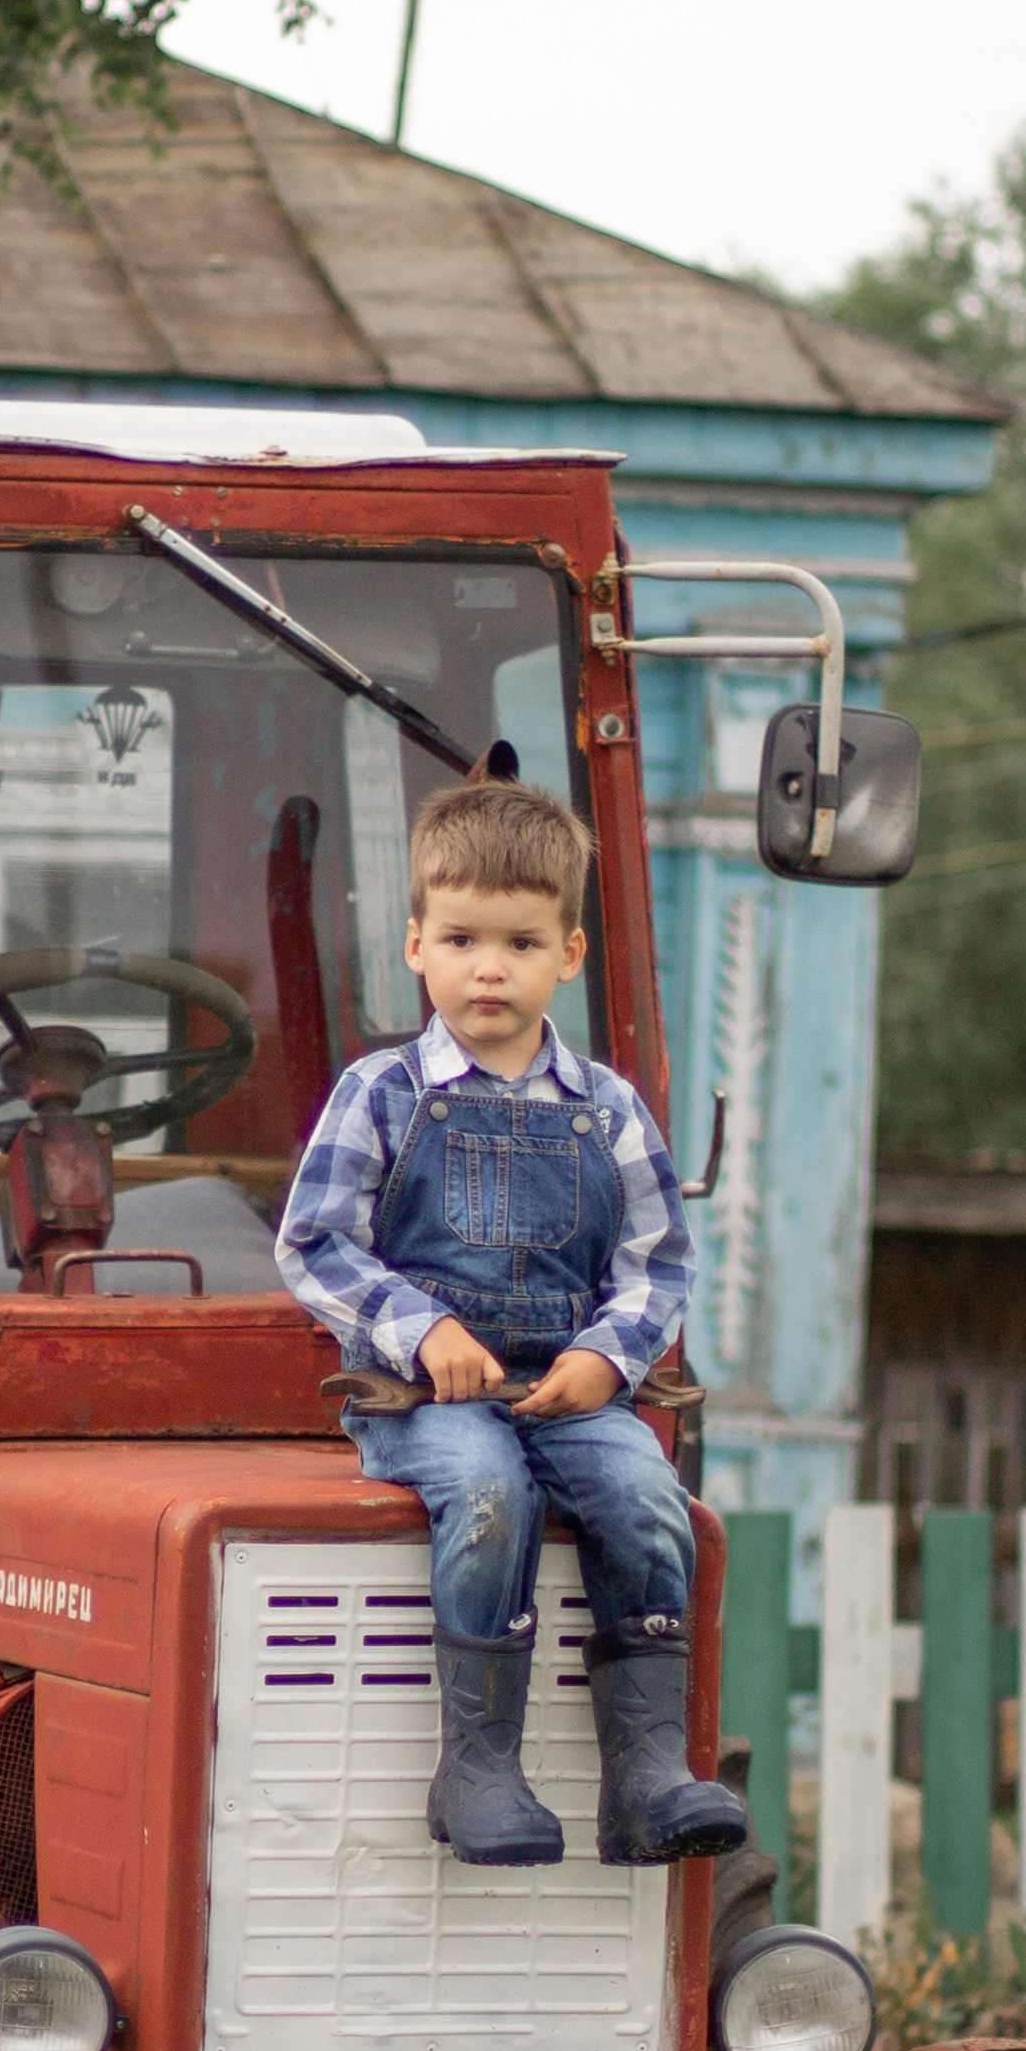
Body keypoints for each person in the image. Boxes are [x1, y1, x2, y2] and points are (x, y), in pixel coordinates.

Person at [276, 776, 746, 1872]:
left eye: (521, 943)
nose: (489, 967)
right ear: (415, 947)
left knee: (644, 1497)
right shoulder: (381, 1093)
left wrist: (605, 1355)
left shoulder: (607, 1106)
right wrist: (419, 1328)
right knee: (489, 1492)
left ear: (569, 957)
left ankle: (644, 1774)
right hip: (424, 1397)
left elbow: (656, 1260)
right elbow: (314, 1243)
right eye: (461, 938)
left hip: (569, 1391)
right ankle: (478, 1765)